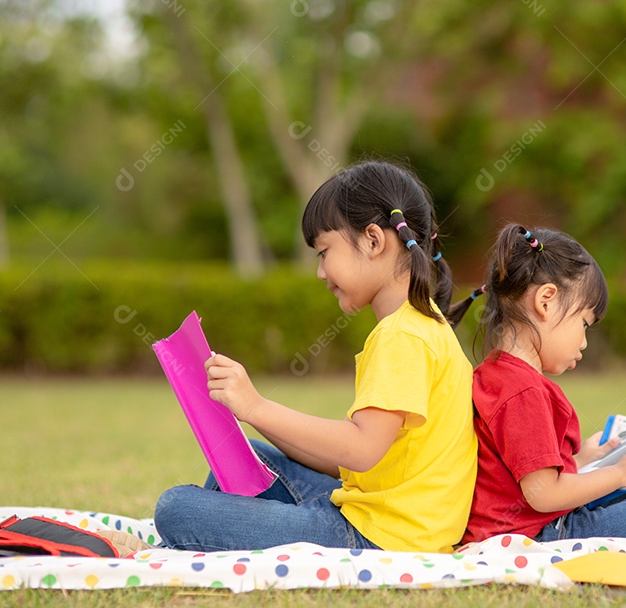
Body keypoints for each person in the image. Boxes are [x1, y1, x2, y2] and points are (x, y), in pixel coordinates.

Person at [154, 161, 478, 553]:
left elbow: (360, 449)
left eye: (324, 252)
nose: (321, 273)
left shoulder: (402, 337)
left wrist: (255, 406)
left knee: (175, 509)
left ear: (374, 240)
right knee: (249, 456)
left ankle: (209, 540)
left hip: (379, 538)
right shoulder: (423, 325)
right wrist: (248, 412)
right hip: (392, 522)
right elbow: (349, 457)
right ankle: (224, 538)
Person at [455, 224, 626, 545]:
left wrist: (582, 460)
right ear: (546, 301)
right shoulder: (524, 391)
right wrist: (621, 473)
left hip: (529, 525)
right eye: (584, 324)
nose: (584, 342)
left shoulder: (494, 376)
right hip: (539, 533)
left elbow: (519, 472)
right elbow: (543, 495)